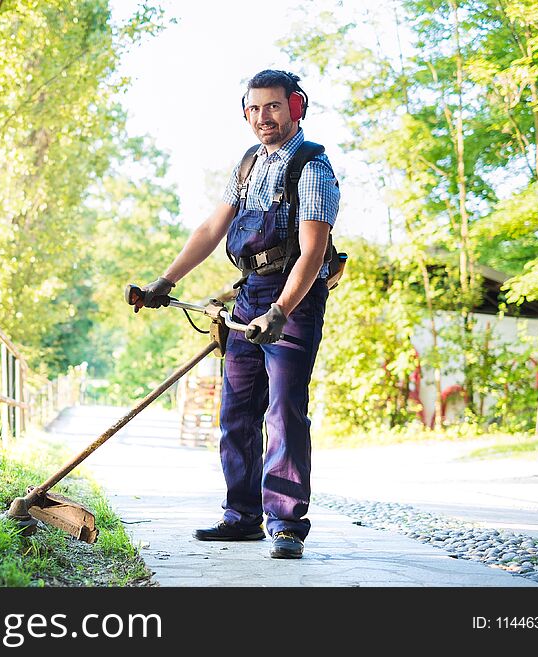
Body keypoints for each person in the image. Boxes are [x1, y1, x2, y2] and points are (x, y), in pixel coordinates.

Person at [132, 69, 340, 559]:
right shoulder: (248, 166)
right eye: (254, 108)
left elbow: (313, 251)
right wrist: (166, 282)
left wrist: (281, 312)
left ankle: (286, 524)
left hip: (294, 297)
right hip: (248, 295)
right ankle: (242, 516)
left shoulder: (312, 169)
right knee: (237, 412)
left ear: (296, 107)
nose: (263, 117)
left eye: (273, 106)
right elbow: (210, 229)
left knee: (283, 410)